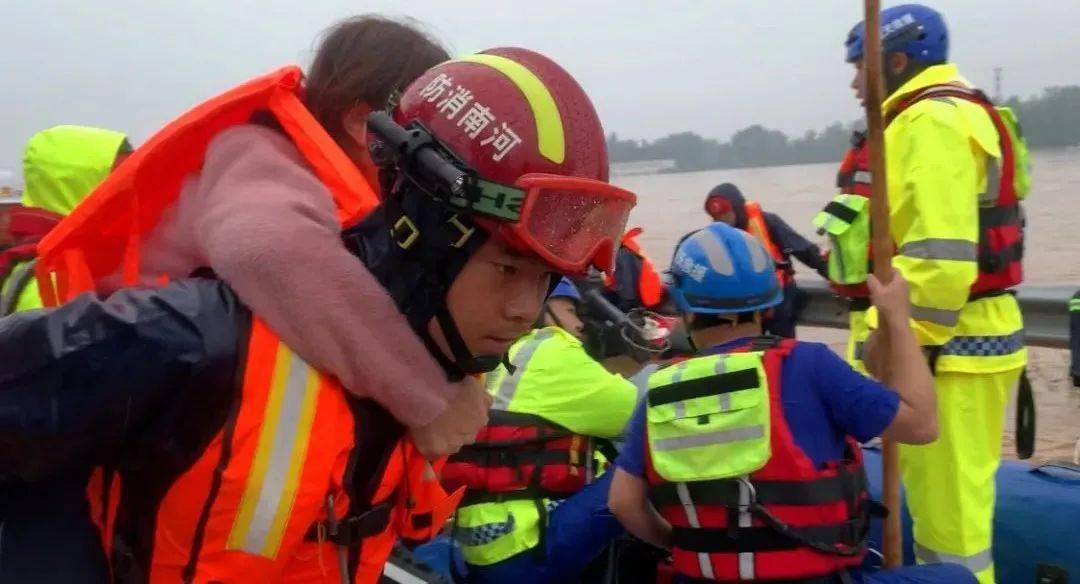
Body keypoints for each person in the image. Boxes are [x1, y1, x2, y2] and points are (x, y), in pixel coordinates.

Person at [0, 47, 635, 582]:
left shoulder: (433, 379)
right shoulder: (194, 339)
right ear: (422, 234)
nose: (527, 310)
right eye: (505, 270)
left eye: (545, 278)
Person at [607, 223, 975, 583]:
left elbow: (623, 503)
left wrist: (681, 543)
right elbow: (922, 424)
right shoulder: (812, 365)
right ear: (768, 305)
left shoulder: (661, 390)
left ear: (686, 310)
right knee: (957, 577)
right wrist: (896, 318)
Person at [842, 6, 1028, 581]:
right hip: (954, 345)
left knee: (951, 532)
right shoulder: (952, 113)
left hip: (946, 353)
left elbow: (940, 258)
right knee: (942, 515)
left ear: (897, 62)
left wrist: (896, 343)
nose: (853, 84)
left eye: (860, 69)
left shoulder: (930, 122)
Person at [0, 125, 131, 584]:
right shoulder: (47, 285)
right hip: (49, 514)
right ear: (84, 189)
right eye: (118, 180)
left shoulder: (56, 267)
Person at [441, 278, 638, 583]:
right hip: (524, 545)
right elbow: (639, 415)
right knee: (637, 467)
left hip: (481, 544)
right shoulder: (553, 349)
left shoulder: (507, 351)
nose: (580, 323)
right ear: (543, 307)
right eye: (570, 310)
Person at [704, 182, 826, 338]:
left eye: (726, 215)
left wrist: (829, 271)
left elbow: (803, 249)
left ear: (738, 209)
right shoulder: (717, 237)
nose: (722, 221)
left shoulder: (768, 221)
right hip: (746, 304)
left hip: (780, 297)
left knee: (782, 349)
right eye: (716, 217)